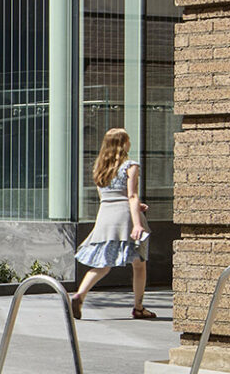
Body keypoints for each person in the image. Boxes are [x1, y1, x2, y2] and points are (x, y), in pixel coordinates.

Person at [69, 126, 156, 320]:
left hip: (105, 217)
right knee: (139, 264)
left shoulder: (99, 168)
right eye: (128, 140)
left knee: (103, 263)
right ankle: (138, 307)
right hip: (125, 217)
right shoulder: (131, 166)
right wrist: (137, 224)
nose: (130, 143)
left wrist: (135, 205)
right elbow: (131, 196)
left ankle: (79, 294)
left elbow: (107, 197)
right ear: (122, 144)